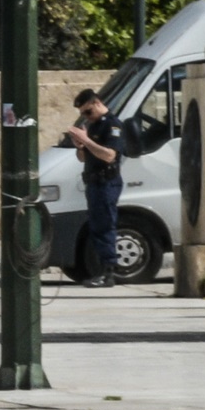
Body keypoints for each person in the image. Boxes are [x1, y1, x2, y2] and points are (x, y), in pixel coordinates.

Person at [62, 88, 127, 285]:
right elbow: (83, 158)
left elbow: (109, 155)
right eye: (82, 114)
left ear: (97, 103)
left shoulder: (113, 125)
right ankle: (101, 270)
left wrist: (87, 140)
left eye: (88, 112)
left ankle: (108, 273)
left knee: (105, 225)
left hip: (107, 182)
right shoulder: (94, 126)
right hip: (93, 182)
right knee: (96, 227)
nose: (86, 117)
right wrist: (80, 146)